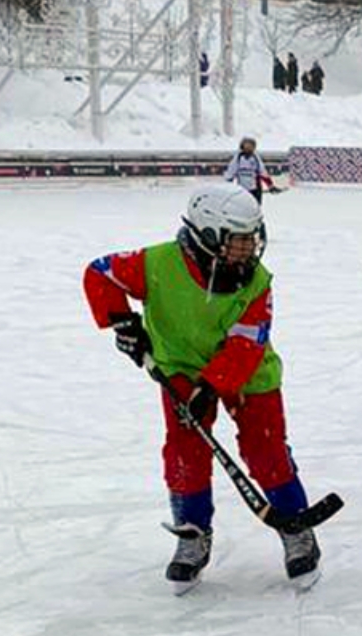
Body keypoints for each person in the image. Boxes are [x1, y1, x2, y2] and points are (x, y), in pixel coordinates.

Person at [82, 182, 324, 592]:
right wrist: (123, 323)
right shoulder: (156, 263)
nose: (249, 250)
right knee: (185, 449)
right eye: (239, 242)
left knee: (266, 451)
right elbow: (99, 273)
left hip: (249, 373)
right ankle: (192, 534)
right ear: (206, 236)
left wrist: (213, 387)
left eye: (253, 239)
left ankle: (295, 527)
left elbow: (247, 343)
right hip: (179, 367)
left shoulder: (257, 281)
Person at [223, 136, 273, 204]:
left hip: (255, 189)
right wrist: (227, 184)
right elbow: (231, 171)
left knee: (255, 206)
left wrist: (270, 185)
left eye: (251, 146)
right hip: (242, 189)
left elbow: (262, 172)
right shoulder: (238, 158)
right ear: (242, 146)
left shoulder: (255, 158)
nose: (248, 148)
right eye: (246, 146)